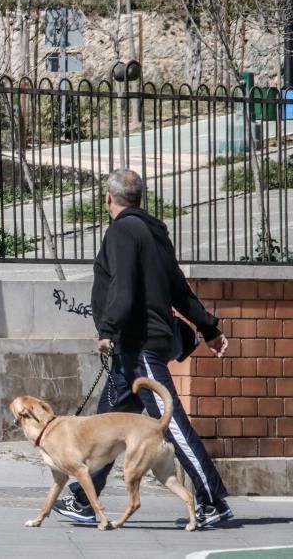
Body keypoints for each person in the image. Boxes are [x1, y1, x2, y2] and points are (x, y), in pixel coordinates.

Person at [53, 168, 233, 529]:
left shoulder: (122, 231)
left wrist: (107, 329)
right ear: (139, 198)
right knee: (104, 426)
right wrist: (209, 327)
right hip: (131, 352)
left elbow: (123, 287)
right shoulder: (155, 232)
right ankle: (83, 500)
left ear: (109, 198)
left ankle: (213, 501)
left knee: (174, 425)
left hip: (139, 346)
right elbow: (179, 288)